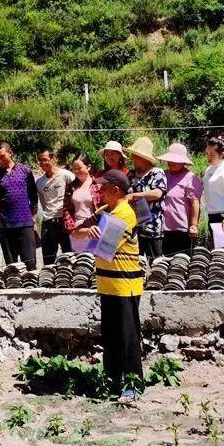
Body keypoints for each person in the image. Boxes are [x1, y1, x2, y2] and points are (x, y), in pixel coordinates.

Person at [74, 170, 143, 402]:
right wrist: (88, 231)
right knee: (111, 336)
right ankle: (112, 381)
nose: (99, 191)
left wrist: (90, 237)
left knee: (128, 337)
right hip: (107, 284)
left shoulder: (125, 213)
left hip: (125, 285)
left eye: (104, 188)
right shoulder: (105, 211)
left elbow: (103, 247)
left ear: (116, 189)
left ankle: (133, 385)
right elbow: (76, 232)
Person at [0, 142, 39, 269]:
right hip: (5, 227)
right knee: (12, 268)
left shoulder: (25, 171)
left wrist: (33, 218)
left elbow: (33, 196)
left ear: (10, 152)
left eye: (2, 156)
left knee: (30, 265)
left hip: (25, 224)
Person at [125, 137, 167, 261]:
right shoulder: (131, 174)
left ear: (143, 158)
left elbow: (157, 193)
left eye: (135, 156)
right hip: (133, 226)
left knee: (156, 262)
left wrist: (134, 196)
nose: (132, 158)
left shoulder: (157, 173)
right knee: (135, 261)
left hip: (152, 226)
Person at [159, 143, 202, 255]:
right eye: (170, 160)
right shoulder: (162, 175)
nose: (171, 162)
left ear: (183, 162)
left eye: (175, 160)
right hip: (161, 227)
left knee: (180, 262)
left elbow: (195, 203)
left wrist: (193, 225)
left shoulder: (190, 177)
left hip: (180, 228)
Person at [35, 150, 75, 265]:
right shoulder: (40, 182)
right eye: (40, 160)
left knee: (69, 258)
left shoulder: (66, 175)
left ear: (54, 159)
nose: (42, 163)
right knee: (48, 262)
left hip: (65, 221)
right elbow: (43, 203)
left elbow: (75, 193)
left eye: (45, 160)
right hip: (48, 222)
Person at [63, 154, 102, 241]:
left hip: (95, 230)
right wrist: (72, 229)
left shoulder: (98, 185)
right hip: (77, 231)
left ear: (88, 167)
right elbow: (65, 209)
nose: (76, 171)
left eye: (79, 168)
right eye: (74, 169)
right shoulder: (70, 187)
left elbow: (104, 208)